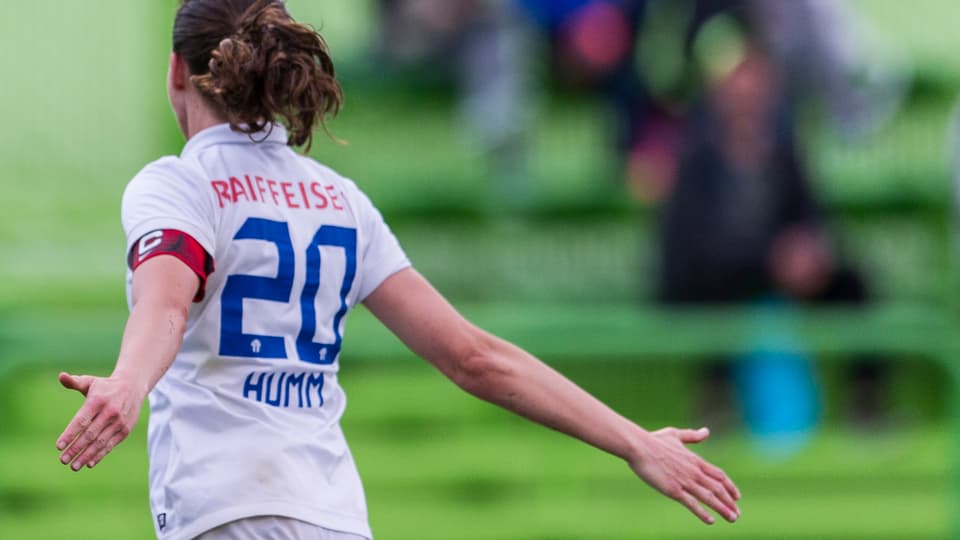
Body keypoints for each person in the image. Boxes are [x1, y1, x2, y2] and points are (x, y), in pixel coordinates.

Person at [54, 1, 740, 538]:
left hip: (227, 505)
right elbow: (476, 357)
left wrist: (127, 382)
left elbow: (168, 301)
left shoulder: (177, 184)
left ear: (177, 70)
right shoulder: (338, 200)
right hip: (332, 513)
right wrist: (631, 441)